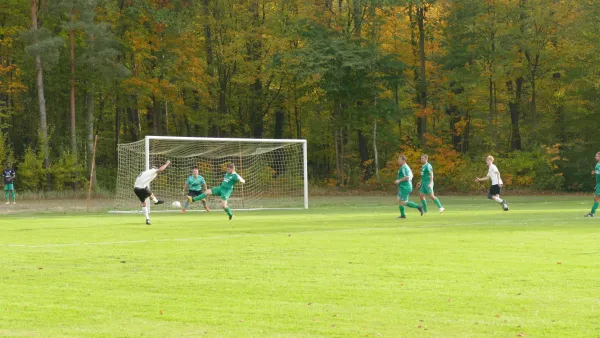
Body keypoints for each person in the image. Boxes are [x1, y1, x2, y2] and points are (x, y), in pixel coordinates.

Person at [134, 160, 170, 225]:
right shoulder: (153, 171)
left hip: (136, 189)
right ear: (154, 168)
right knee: (148, 192)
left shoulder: (145, 172)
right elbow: (160, 170)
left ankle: (147, 219)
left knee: (144, 203)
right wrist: (166, 164)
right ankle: (156, 201)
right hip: (141, 189)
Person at [584, 151, 600, 217]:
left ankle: (592, 213)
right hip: (598, 184)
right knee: (595, 198)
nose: (595, 157)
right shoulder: (597, 164)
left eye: (597, 156)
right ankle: (592, 213)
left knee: (596, 198)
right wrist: (594, 173)